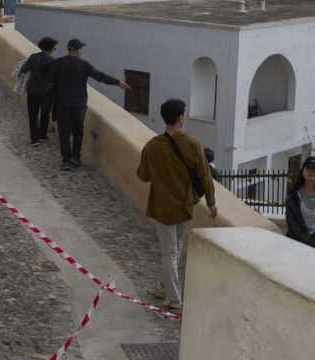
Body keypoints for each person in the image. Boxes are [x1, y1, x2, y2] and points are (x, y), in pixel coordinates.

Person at [136, 99, 217, 314]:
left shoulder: (152, 146)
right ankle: (164, 287)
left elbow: (142, 175)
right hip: (187, 205)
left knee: (170, 253)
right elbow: (205, 176)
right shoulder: (193, 144)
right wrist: (211, 203)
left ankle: (174, 300)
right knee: (176, 247)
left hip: (163, 207)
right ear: (181, 117)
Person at [49, 38, 129, 170]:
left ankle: (66, 160)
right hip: (79, 104)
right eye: (81, 49)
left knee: (64, 133)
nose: (81, 51)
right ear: (76, 51)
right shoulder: (84, 65)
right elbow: (100, 77)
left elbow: (50, 80)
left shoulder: (58, 63)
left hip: (63, 103)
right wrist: (118, 83)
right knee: (78, 131)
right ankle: (76, 157)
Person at [24, 36, 58, 146]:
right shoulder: (52, 61)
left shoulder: (33, 57)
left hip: (33, 90)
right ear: (50, 49)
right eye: (54, 49)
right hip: (46, 91)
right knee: (45, 114)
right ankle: (42, 135)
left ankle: (34, 140)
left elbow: (24, 69)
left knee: (33, 115)